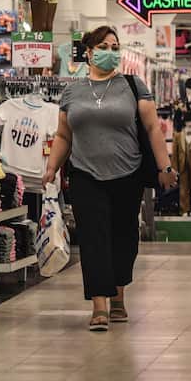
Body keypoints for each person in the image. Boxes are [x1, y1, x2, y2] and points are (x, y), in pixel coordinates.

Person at [42, 26, 175, 332]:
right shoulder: (72, 91)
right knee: (93, 237)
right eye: (104, 46)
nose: (111, 52)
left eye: (115, 47)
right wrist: (51, 167)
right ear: (88, 52)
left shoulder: (133, 85)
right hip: (85, 174)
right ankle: (99, 304)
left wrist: (164, 167)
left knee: (123, 238)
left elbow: (154, 129)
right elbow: (64, 134)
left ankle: (118, 294)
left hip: (127, 174)